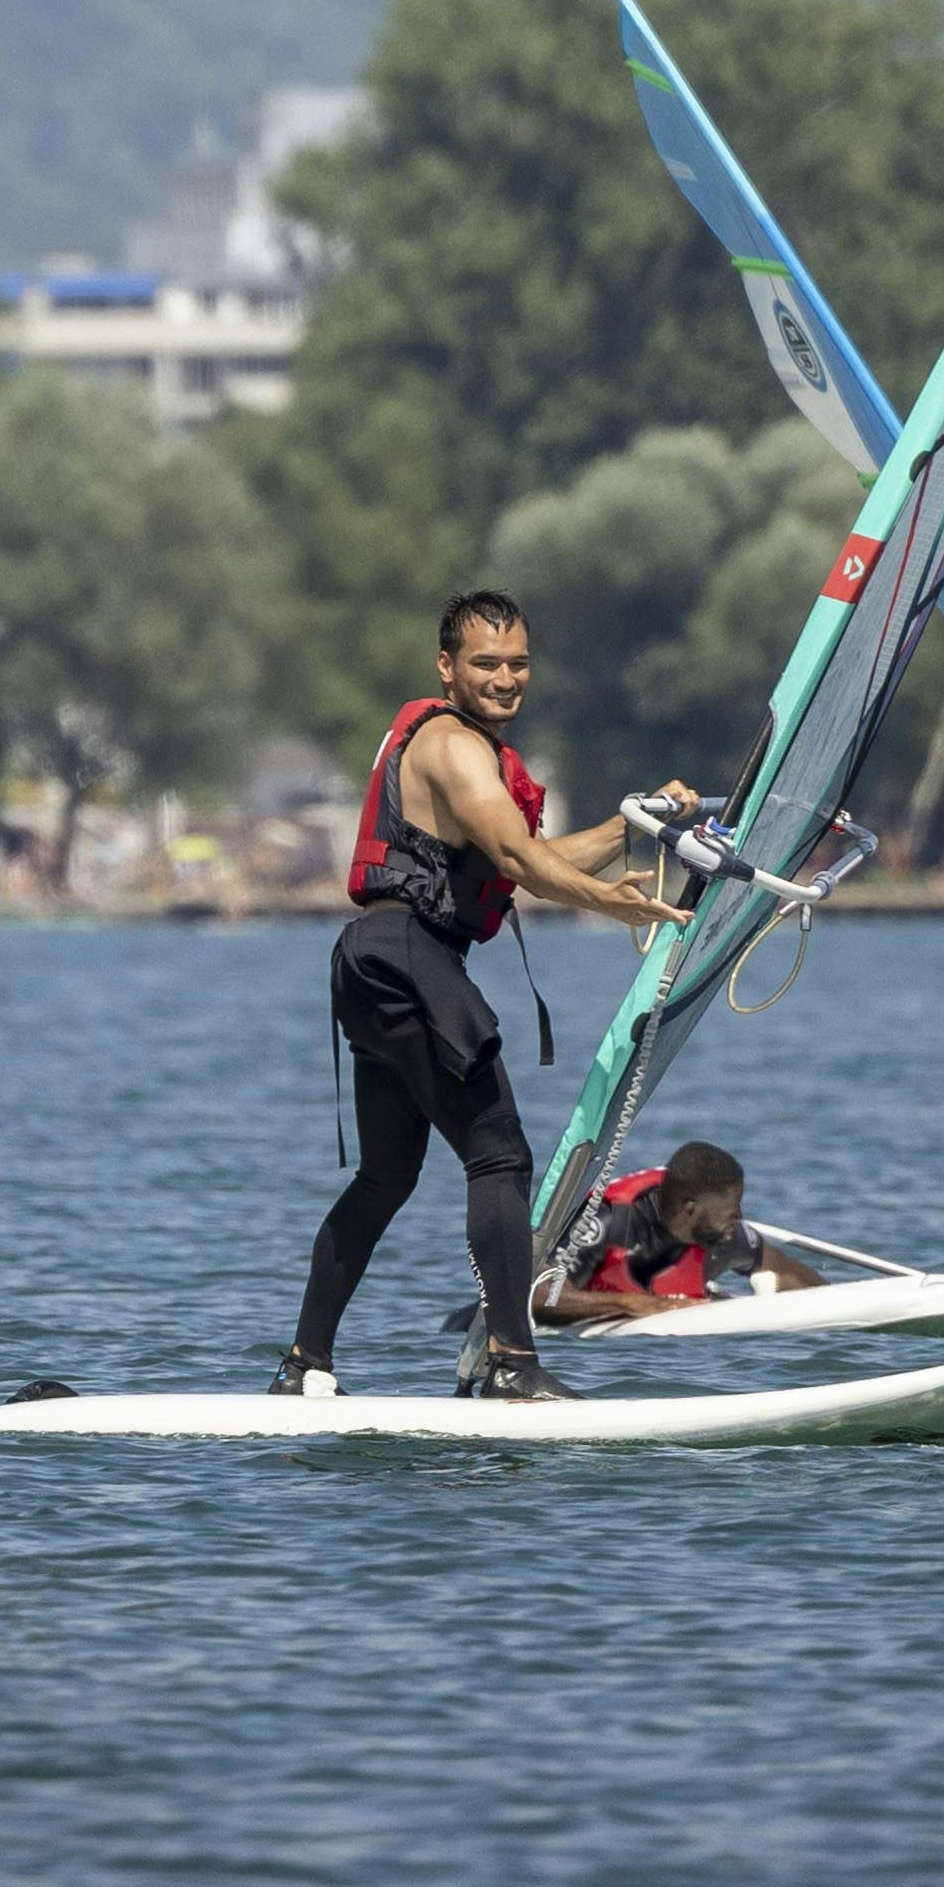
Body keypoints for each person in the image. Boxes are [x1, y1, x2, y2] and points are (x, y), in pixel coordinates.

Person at [288, 587, 683, 1399]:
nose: (506, 679)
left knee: (385, 1177)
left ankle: (303, 1369)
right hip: (406, 958)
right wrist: (609, 902)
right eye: (486, 663)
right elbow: (521, 863)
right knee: (498, 1154)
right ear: (448, 667)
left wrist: (633, 823)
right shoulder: (454, 747)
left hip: (376, 963)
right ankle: (513, 1364)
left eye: (519, 663)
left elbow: (536, 852)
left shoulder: (470, 757)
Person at [543, 1136, 758, 1327]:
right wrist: (634, 1304)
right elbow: (541, 1297)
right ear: (690, 1208)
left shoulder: (722, 1232)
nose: (738, 1216)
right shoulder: (603, 1220)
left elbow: (780, 1269)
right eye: (731, 1208)